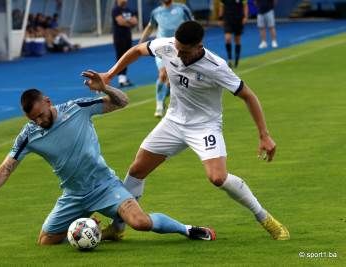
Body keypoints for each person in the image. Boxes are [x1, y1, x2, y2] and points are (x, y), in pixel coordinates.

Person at [0, 70, 215, 244]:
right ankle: (89, 227)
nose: (40, 121)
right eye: (33, 118)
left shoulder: (77, 108)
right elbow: (4, 169)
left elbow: (123, 102)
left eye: (41, 114)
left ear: (48, 102)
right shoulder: (28, 135)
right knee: (45, 241)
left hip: (105, 186)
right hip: (73, 195)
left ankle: (188, 229)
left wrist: (106, 88)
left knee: (141, 223)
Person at [100, 21, 290, 241]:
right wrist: (111, 74)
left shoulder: (216, 66)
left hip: (204, 126)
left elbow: (249, 95)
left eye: (184, 51)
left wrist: (264, 135)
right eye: (177, 48)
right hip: (173, 122)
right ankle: (118, 227)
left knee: (217, 178)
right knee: (137, 170)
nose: (177, 54)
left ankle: (265, 218)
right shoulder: (169, 46)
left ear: (199, 46)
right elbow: (137, 50)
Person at [138, 0, 193, 118]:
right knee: (162, 74)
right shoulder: (156, 12)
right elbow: (150, 27)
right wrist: (140, 43)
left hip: (179, 48)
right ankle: (158, 106)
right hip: (161, 48)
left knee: (172, 81)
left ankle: (163, 99)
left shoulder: (182, 8)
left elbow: (192, 24)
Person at [112, 0, 138, 88]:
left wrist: (126, 22)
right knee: (120, 57)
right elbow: (120, 22)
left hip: (128, 37)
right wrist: (129, 22)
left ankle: (124, 77)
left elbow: (135, 22)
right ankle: (121, 78)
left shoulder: (129, 10)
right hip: (119, 37)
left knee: (127, 57)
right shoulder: (116, 10)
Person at [218, 0, 248, 68]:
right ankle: (229, 59)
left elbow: (245, 6)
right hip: (228, 19)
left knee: (237, 40)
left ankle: (237, 59)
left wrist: (245, 17)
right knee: (227, 39)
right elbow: (221, 6)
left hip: (238, 20)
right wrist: (220, 18)